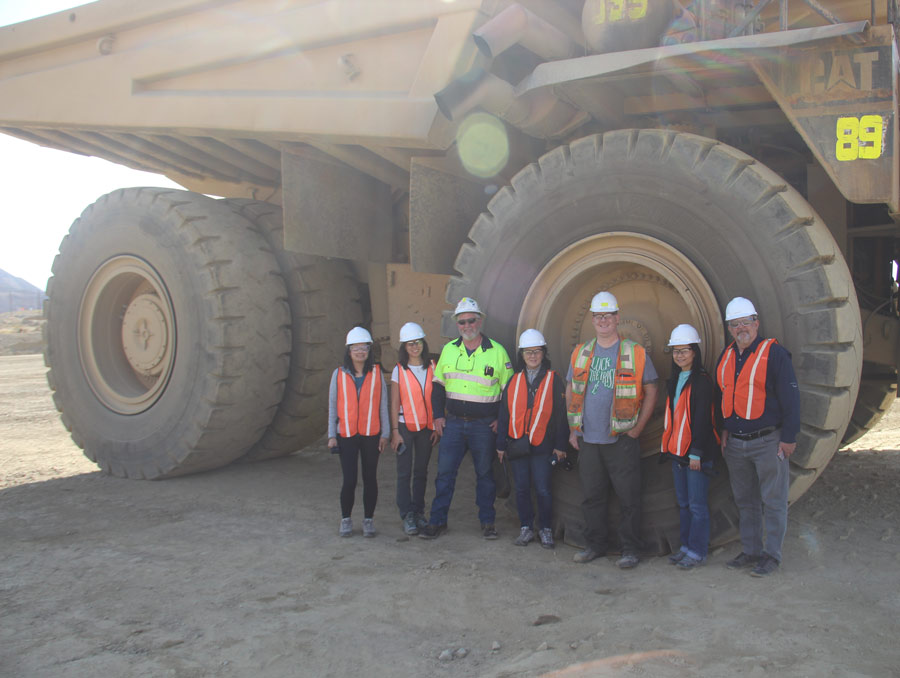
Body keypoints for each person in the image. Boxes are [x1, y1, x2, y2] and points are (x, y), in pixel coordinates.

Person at [566, 291, 659, 569]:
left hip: (621, 439)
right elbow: (570, 388)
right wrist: (573, 429)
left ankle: (630, 549)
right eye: (598, 316)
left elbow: (651, 389)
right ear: (592, 320)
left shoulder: (634, 352)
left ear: (617, 318)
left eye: (608, 315)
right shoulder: (581, 352)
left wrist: (637, 429)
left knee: (628, 497)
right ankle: (594, 545)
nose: (603, 320)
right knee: (591, 497)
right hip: (589, 439)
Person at [715, 297, 800, 577]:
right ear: (729, 328)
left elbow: (791, 398)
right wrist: (724, 429)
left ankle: (771, 556)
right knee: (745, 501)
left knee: (773, 501)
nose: (742, 328)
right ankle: (751, 551)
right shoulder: (726, 356)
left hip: (768, 442)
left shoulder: (774, 354)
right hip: (736, 444)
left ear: (756, 323)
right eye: (735, 324)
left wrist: (788, 438)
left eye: (746, 323)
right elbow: (723, 396)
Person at [419, 297, 513, 540]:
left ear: (479, 321)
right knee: (445, 475)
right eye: (462, 322)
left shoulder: (497, 352)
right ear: (457, 324)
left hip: (483, 426)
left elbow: (510, 393)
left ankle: (487, 523)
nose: (467, 325)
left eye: (471, 320)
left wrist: (500, 422)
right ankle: (437, 522)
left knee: (485, 475)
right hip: (453, 424)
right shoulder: (450, 350)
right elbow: (437, 386)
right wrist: (438, 416)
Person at [496, 329, 568, 549]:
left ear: (543, 353)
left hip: (542, 446)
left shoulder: (553, 381)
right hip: (517, 445)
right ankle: (526, 528)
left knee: (544, 488)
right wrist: (500, 445)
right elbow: (504, 414)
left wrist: (560, 446)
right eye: (528, 352)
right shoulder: (514, 381)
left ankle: (545, 529)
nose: (533, 356)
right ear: (522, 355)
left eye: (537, 352)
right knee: (522, 489)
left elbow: (561, 415)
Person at [660, 324, 719, 570]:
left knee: (697, 505)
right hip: (678, 453)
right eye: (675, 351)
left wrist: (696, 453)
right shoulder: (675, 380)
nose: (679, 355)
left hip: (696, 455)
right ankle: (685, 547)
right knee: (683, 504)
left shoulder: (703, 383)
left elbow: (704, 420)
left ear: (695, 352)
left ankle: (697, 551)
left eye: (684, 350)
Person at [327, 327, 389, 538]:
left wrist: (386, 433)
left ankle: (368, 520)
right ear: (349, 350)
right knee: (350, 480)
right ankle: (346, 519)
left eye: (364, 347)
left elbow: (383, 405)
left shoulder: (377, 374)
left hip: (371, 433)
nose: (360, 351)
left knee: (370, 478)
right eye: (356, 348)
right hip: (347, 435)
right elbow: (333, 406)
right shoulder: (338, 374)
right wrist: (331, 435)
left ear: (369, 350)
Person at [389, 322, 438, 536]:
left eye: (417, 343)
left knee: (421, 472)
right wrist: (394, 431)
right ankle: (406, 515)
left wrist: (436, 426)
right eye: (410, 344)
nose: (414, 347)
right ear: (404, 347)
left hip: (426, 428)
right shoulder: (399, 371)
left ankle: (419, 512)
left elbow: (437, 399)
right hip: (405, 427)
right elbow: (394, 403)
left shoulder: (433, 367)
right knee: (404, 472)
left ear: (423, 344)